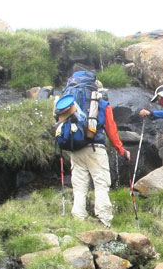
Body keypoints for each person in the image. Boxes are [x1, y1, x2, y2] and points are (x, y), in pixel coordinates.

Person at [54, 72, 129, 227]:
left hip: (75, 149)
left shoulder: (72, 104)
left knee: (79, 185)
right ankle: (104, 218)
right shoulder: (101, 104)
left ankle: (78, 218)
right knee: (101, 183)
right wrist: (121, 150)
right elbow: (111, 131)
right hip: (95, 148)